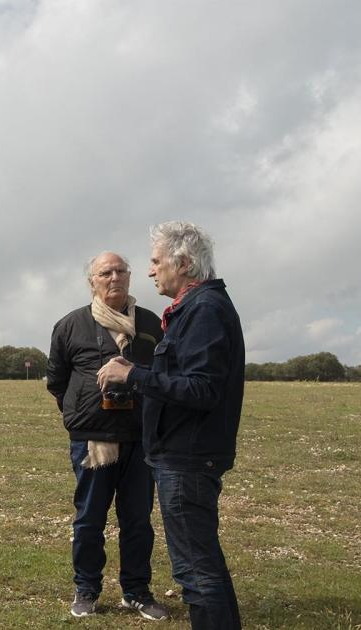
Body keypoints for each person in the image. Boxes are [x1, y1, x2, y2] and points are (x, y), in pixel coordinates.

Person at [98, 221, 245, 630]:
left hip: (188, 458)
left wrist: (134, 377)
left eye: (156, 261)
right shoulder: (198, 308)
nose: (150, 271)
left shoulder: (204, 310)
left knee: (196, 573)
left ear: (182, 263)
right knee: (203, 564)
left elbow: (201, 390)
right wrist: (139, 369)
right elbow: (188, 378)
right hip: (183, 455)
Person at [46, 252, 167, 621]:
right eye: (105, 272)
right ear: (92, 281)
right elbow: (57, 381)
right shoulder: (71, 325)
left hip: (141, 437)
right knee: (89, 519)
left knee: (137, 519)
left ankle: (137, 590)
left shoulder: (151, 323)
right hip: (92, 439)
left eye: (121, 271)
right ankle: (87, 589)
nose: (114, 277)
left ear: (130, 277)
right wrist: (79, 412)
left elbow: (165, 372)